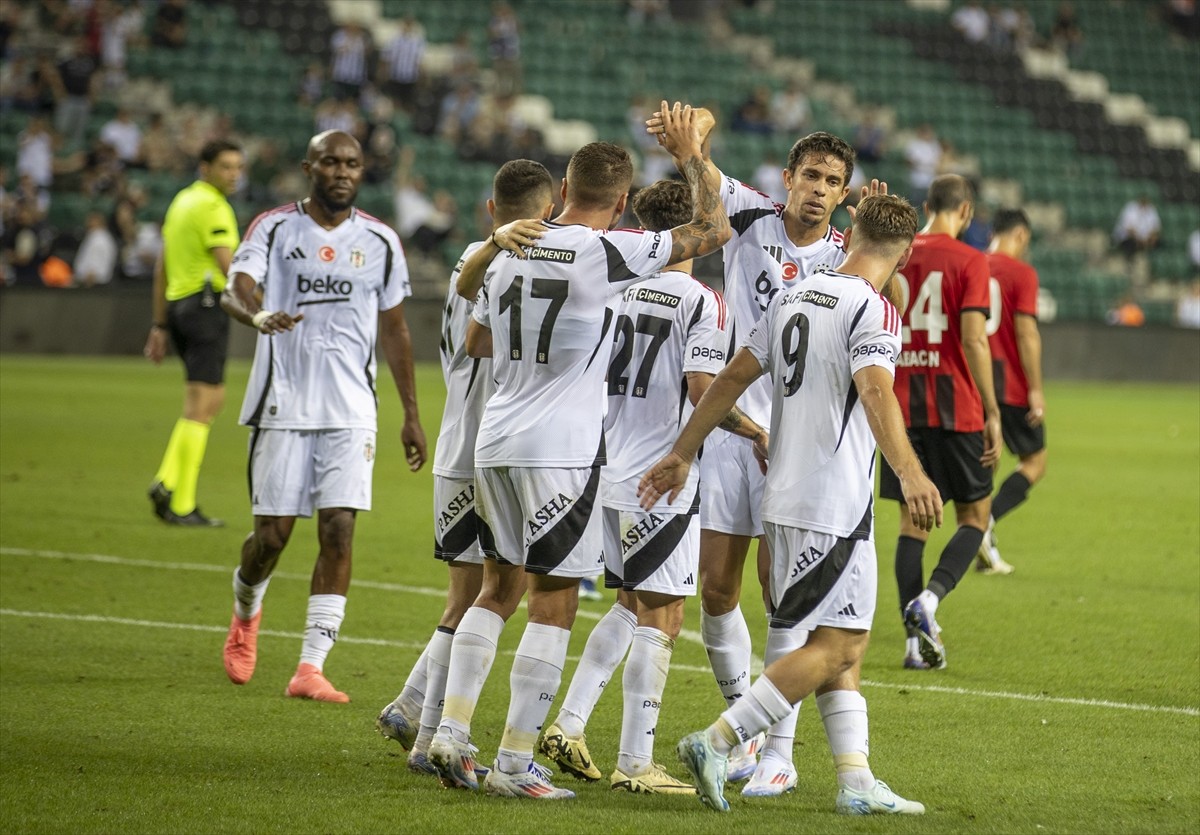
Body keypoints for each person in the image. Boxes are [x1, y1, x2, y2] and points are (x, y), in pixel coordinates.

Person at [426, 104, 730, 800]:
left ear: (563, 187)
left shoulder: (512, 243)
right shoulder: (610, 249)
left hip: (493, 441)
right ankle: (512, 762)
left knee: (495, 589)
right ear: (622, 201)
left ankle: (451, 734)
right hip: (560, 449)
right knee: (553, 599)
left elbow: (476, 342)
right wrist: (692, 152)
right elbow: (709, 229)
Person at [640, 193, 937, 815]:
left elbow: (730, 379)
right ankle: (718, 741)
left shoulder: (792, 296)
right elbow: (877, 391)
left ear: (849, 229)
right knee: (842, 645)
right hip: (835, 500)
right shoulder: (874, 308)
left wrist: (684, 451)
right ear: (906, 254)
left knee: (832, 637)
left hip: (780, 494)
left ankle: (856, 782)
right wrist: (910, 473)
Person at [647, 108, 858, 792]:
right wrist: (693, 134)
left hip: (801, 444)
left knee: (785, 597)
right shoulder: (750, 216)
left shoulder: (848, 256)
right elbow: (701, 160)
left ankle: (778, 754)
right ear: (787, 178)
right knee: (715, 588)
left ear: (844, 192)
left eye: (833, 181)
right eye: (811, 176)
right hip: (737, 429)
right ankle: (745, 722)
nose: (819, 189)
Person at [539, 178, 768, 795]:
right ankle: (636, 762)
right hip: (659, 475)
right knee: (664, 614)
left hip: (601, 464)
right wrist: (755, 432)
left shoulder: (610, 281)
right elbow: (703, 393)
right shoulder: (700, 299)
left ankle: (568, 723)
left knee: (627, 602)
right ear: (694, 224)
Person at [217, 130, 427, 702]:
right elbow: (234, 288)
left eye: (352, 164)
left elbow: (395, 328)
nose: (341, 171)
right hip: (283, 401)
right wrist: (257, 316)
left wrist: (411, 414)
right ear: (309, 166)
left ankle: (310, 667)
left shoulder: (380, 241)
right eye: (330, 161)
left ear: (362, 172)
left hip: (352, 409)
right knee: (272, 537)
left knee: (338, 528)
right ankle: (246, 609)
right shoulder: (275, 227)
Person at [375, 158, 555, 771]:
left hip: (458, 446)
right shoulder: (512, 265)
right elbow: (477, 290)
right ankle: (427, 742)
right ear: (549, 213)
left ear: (490, 208)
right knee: (490, 594)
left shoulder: (474, 255)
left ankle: (410, 706)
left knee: (474, 595)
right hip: (495, 452)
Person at [883, 173, 1002, 670]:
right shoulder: (971, 260)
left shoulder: (898, 250)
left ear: (927, 206)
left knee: (913, 523)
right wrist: (993, 411)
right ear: (966, 212)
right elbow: (974, 338)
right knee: (975, 517)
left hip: (900, 408)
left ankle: (914, 647)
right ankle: (928, 602)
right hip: (958, 410)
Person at [143, 139, 244, 526]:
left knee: (202, 402)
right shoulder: (212, 206)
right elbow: (230, 266)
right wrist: (267, 306)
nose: (233, 174)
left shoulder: (181, 202)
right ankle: (180, 499)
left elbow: (161, 267)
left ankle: (168, 482)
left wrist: (159, 324)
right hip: (204, 306)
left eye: (237, 167)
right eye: (226, 167)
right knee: (207, 402)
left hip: (178, 306)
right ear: (205, 167)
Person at [979, 208, 1046, 574]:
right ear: (1020, 234)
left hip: (974, 379)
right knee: (1035, 461)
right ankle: (984, 523)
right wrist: (1035, 388)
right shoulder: (1021, 273)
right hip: (1010, 383)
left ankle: (980, 536)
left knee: (988, 459)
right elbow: (1026, 333)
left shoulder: (972, 263)